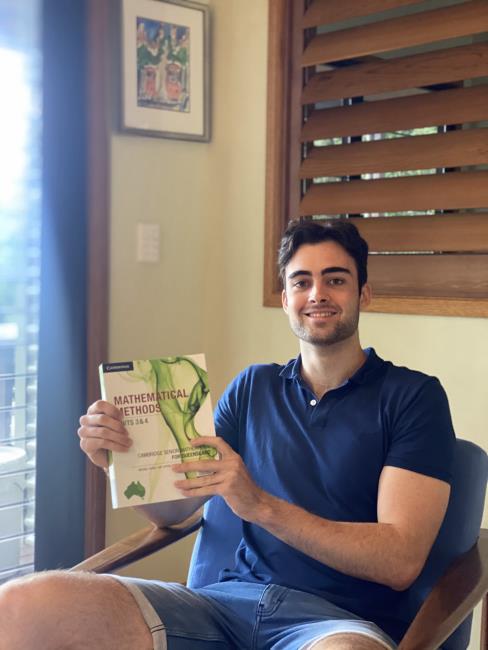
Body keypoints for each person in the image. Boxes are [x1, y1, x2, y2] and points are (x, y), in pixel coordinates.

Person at [0, 220, 455, 650]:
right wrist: (116, 462)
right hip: (219, 607)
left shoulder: (413, 398)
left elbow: (399, 561)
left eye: (335, 280)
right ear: (286, 299)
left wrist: (261, 506)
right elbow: (174, 511)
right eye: (301, 282)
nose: (317, 293)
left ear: (364, 293)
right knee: (21, 605)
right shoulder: (253, 387)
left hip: (332, 624)